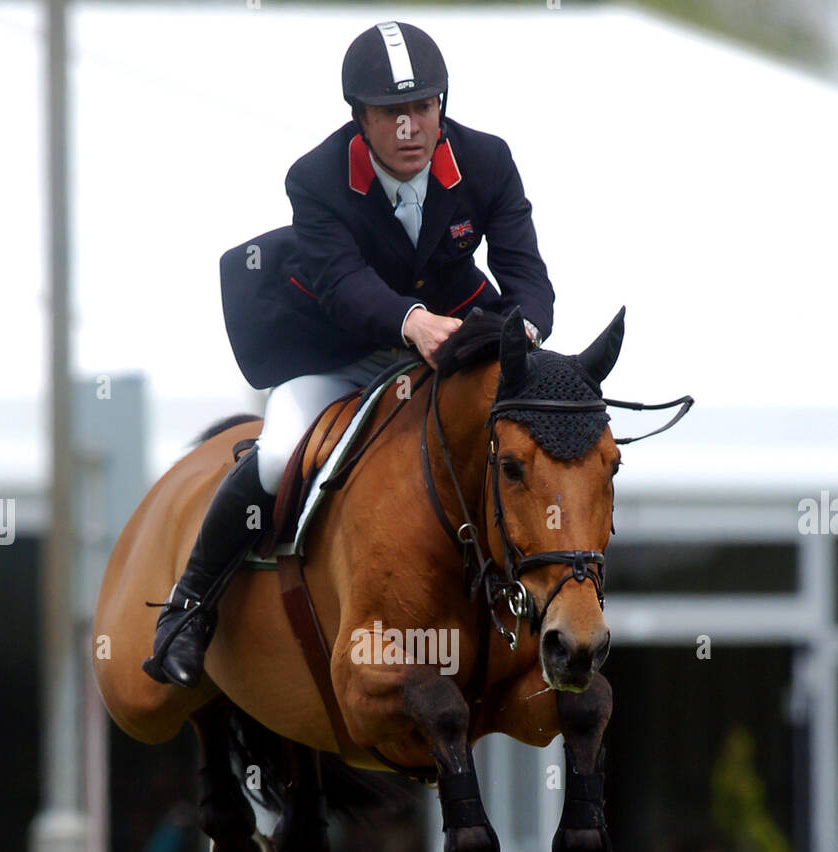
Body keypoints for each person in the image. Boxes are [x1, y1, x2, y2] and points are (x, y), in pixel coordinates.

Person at [143, 20, 555, 688]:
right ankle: (188, 610)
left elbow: (527, 277)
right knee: (277, 456)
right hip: (336, 351)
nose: (411, 128)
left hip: (445, 351)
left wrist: (525, 335)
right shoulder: (316, 179)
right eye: (392, 113)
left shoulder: (488, 161)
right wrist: (412, 321)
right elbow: (342, 284)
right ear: (359, 117)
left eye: (423, 107)